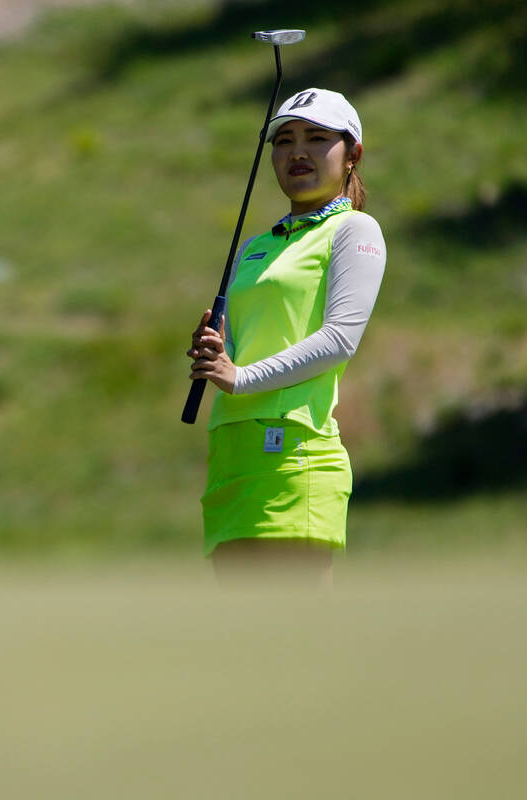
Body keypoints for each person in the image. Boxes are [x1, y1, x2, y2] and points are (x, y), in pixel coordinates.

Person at [186, 88, 387, 587]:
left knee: (296, 636)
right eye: (284, 140)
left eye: (316, 139)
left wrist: (241, 375)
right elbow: (238, 350)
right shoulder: (255, 247)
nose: (297, 152)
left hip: (294, 451)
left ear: (352, 154)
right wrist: (217, 352)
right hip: (233, 455)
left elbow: (340, 338)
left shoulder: (354, 231)